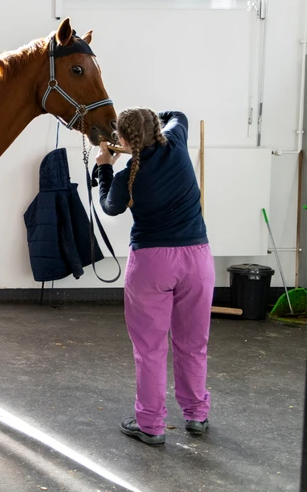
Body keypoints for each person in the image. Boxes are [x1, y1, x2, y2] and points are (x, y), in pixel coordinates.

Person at [96, 108, 214, 446]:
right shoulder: (175, 143)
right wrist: (149, 118)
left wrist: (106, 165)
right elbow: (178, 114)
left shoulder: (126, 176)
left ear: (123, 140)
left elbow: (109, 206)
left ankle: (150, 424)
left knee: (149, 349)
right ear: (156, 130)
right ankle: (196, 414)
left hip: (151, 263)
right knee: (193, 343)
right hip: (197, 259)